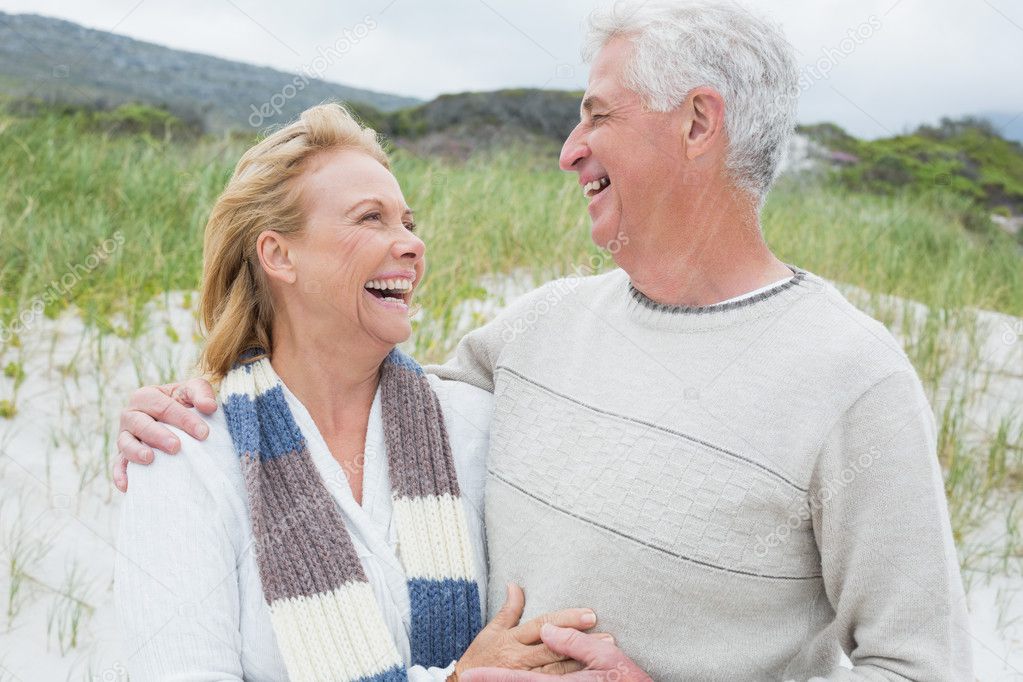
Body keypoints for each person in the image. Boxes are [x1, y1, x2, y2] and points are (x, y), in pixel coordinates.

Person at [116, 1, 973, 679]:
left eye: (597, 115)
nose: (568, 152)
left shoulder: (852, 379)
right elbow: (334, 391)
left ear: (697, 123)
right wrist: (186, 402)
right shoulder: (535, 335)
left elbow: (919, 666)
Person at [113, 103, 606, 681]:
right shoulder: (186, 455)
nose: (410, 245)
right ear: (278, 254)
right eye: (371, 218)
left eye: (408, 224)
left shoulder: (475, 424)